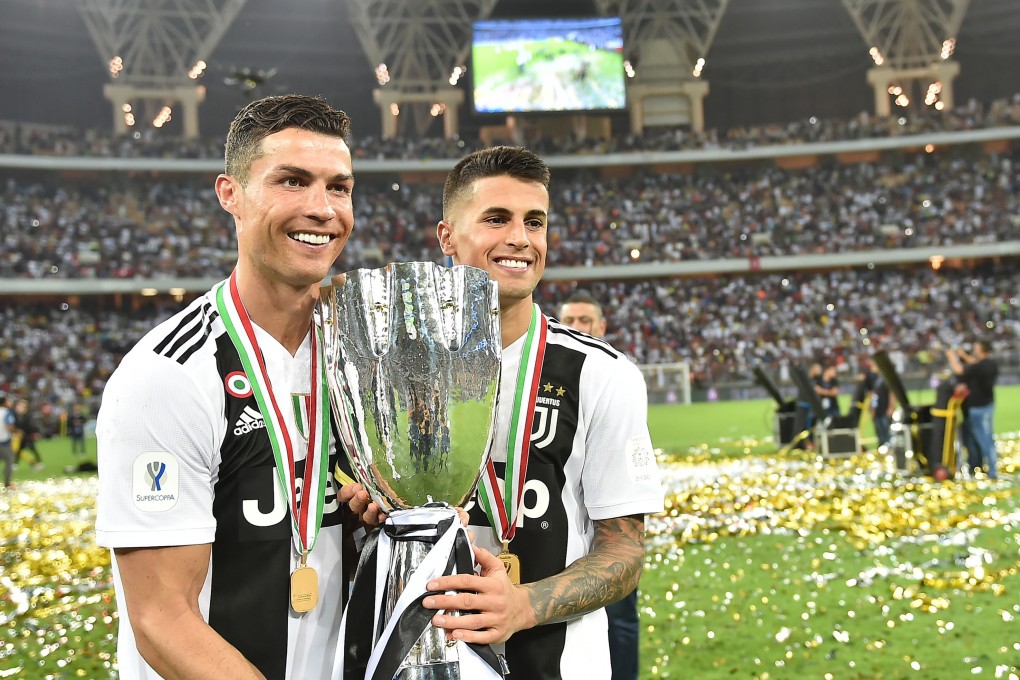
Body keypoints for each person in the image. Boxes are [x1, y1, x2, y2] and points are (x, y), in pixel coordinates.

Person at [95, 94, 364, 679]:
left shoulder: (363, 356)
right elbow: (162, 619)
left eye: (338, 187)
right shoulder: (170, 376)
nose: (322, 208)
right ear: (230, 194)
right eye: (292, 181)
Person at [421, 146, 665, 679]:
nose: (520, 238)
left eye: (534, 222)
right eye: (496, 219)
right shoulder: (396, 370)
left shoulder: (601, 373)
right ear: (447, 237)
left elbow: (624, 553)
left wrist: (524, 606)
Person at [558, 291, 639, 680]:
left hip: (610, 518)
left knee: (620, 616)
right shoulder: (544, 374)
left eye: (585, 321)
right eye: (569, 320)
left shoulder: (615, 376)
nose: (576, 327)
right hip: (561, 526)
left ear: (602, 327)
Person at [947, 339, 998, 479]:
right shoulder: (990, 363)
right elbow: (974, 363)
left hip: (977, 407)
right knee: (987, 437)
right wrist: (963, 355)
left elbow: (959, 370)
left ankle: (992, 471)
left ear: (981, 349)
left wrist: (951, 356)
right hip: (988, 404)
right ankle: (989, 467)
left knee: (983, 439)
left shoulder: (979, 366)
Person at [13, 398, 45, 471]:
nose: (18, 407)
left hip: (27, 436)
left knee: (32, 449)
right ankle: (15, 464)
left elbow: (31, 427)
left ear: (25, 408)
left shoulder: (28, 416)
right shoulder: (17, 416)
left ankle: (39, 462)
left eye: (20, 406)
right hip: (21, 437)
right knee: (19, 451)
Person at [1, 396, 16, 490]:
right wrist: (16, 432)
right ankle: (7, 484)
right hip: (4, 441)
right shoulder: (7, 412)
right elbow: (9, 426)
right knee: (9, 460)